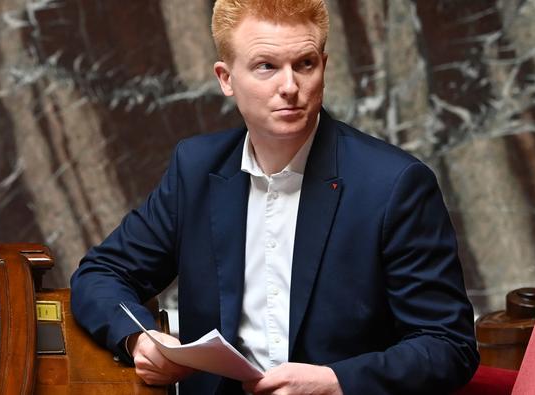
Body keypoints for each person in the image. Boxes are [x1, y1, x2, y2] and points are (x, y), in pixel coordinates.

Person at [70, 0, 479, 394]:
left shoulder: (395, 185)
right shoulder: (195, 169)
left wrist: (336, 382)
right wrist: (139, 340)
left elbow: (448, 346)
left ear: (324, 66)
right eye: (266, 66)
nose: (290, 87)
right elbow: (102, 274)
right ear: (225, 78)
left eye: (305, 64)